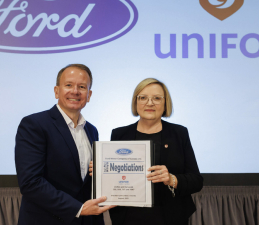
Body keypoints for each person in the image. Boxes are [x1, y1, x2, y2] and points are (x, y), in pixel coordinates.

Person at [15, 64, 114, 225]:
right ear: (56, 91)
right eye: (68, 85)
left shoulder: (92, 130)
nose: (75, 91)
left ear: (89, 95)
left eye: (82, 87)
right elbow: (30, 183)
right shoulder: (34, 124)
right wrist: (78, 209)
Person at [106, 78, 203, 225]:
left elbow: (196, 181)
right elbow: (115, 180)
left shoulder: (179, 133)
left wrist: (172, 179)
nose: (149, 103)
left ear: (165, 103)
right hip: (128, 217)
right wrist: (103, 172)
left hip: (170, 216)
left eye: (157, 98)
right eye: (143, 97)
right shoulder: (119, 134)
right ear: (136, 102)